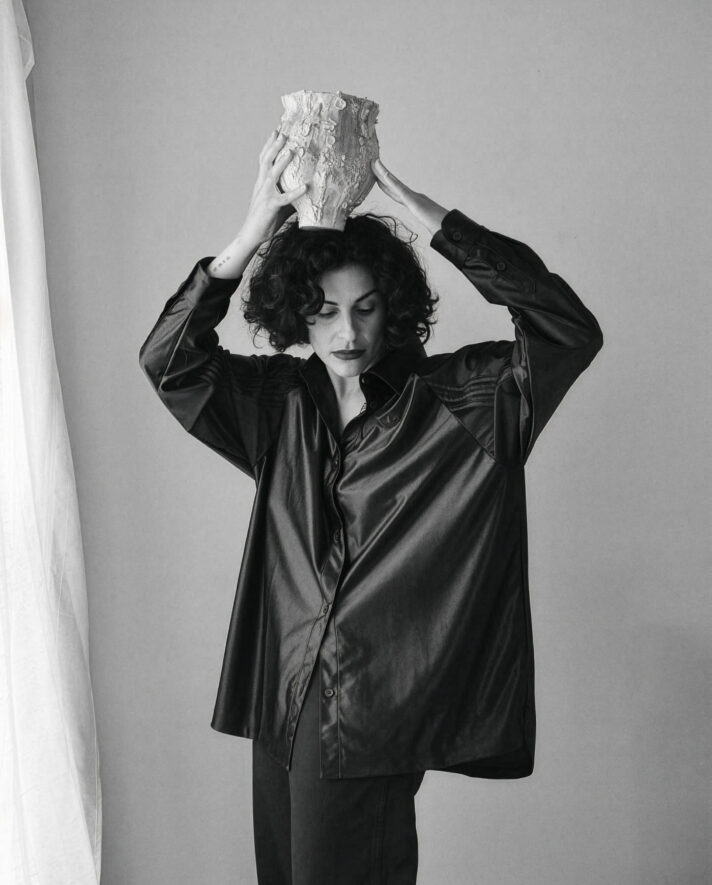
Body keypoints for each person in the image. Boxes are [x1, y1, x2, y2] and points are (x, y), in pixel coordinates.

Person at [139, 130, 603, 884]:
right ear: (298, 315)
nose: (347, 332)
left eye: (365, 307)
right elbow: (169, 362)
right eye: (324, 311)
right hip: (284, 695)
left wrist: (436, 220)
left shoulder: (466, 403)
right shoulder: (279, 406)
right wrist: (249, 237)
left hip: (369, 710)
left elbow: (567, 331)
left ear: (394, 308)